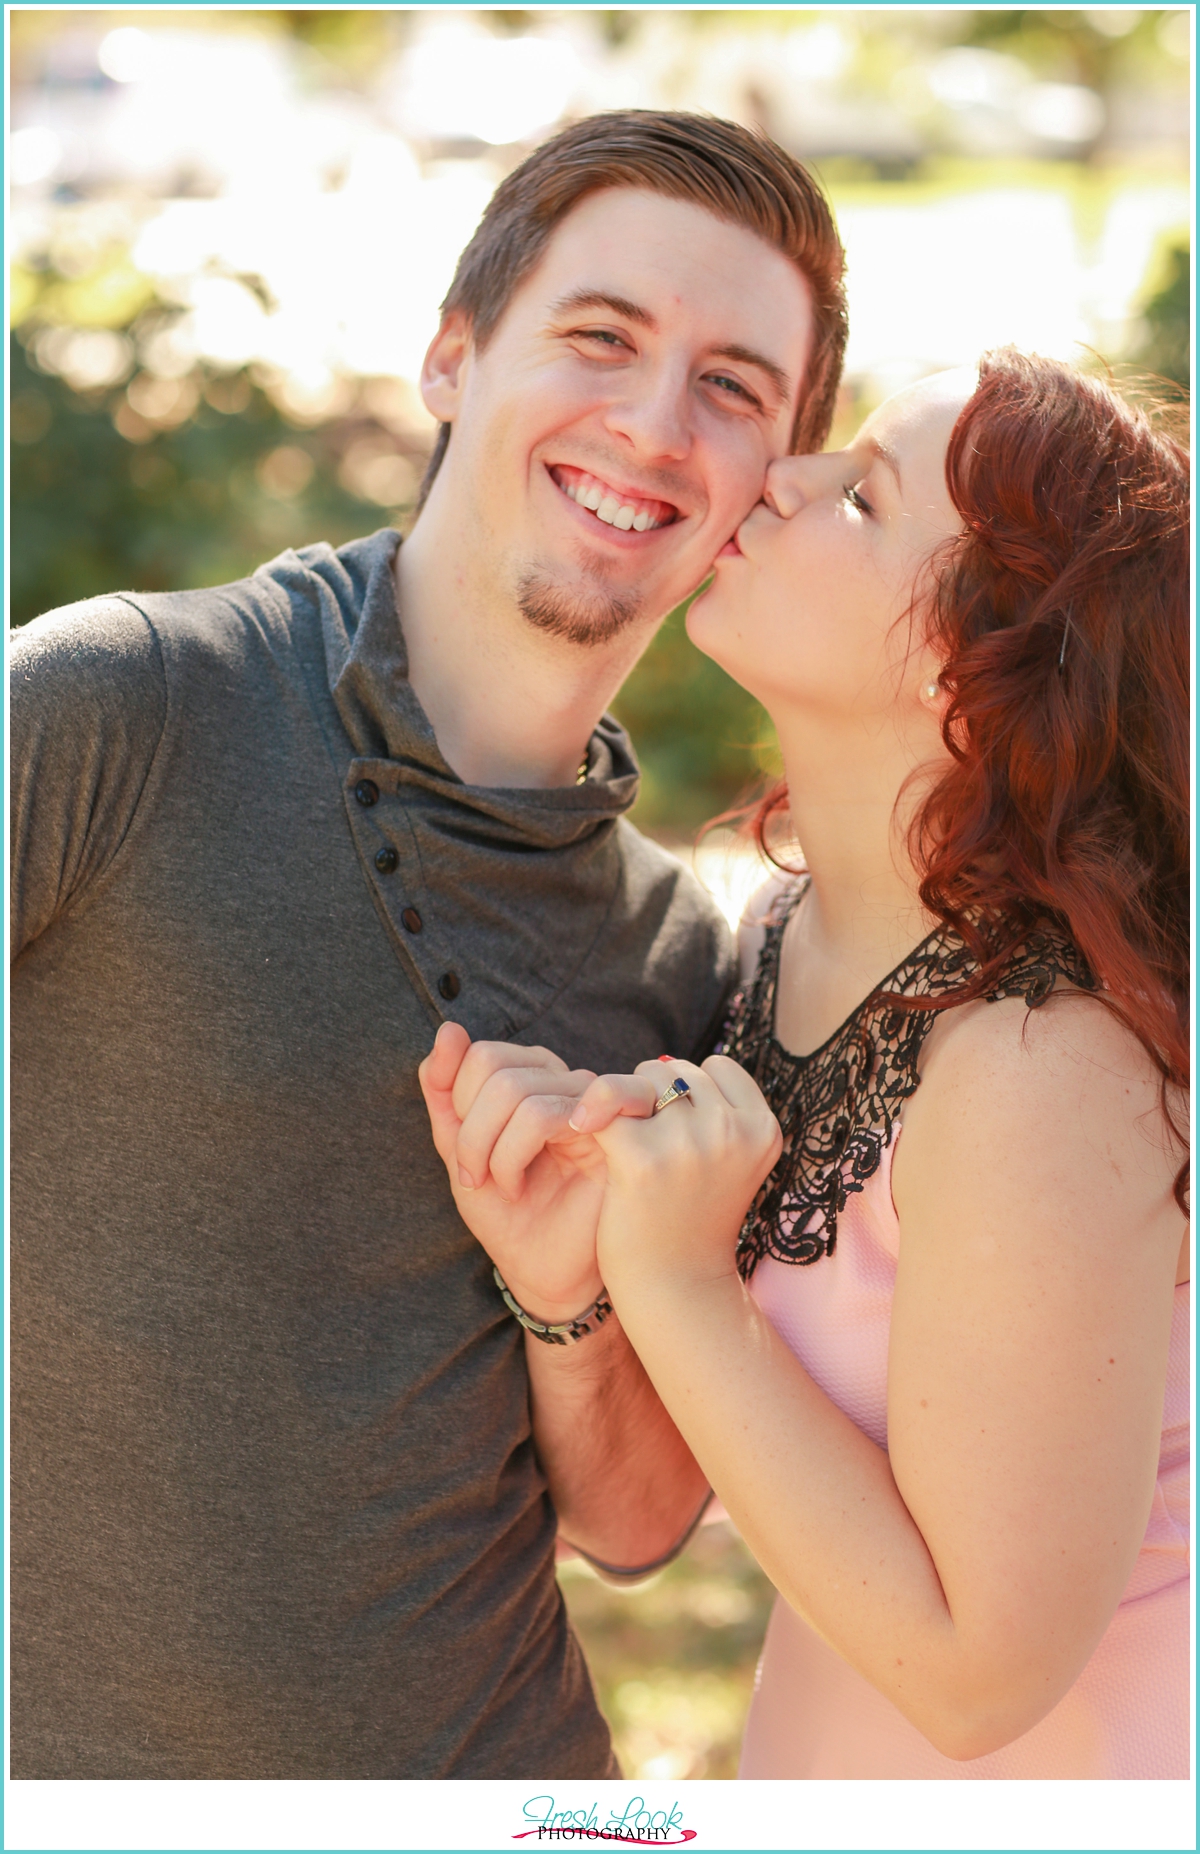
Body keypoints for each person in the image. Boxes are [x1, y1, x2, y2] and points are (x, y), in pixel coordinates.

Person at [8, 111, 848, 1778]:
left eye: (734, 389)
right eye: (600, 337)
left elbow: (637, 1520)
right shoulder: (119, 706)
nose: (652, 423)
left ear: (764, 489)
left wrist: (567, 1304)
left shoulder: (693, 961)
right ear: (454, 355)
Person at [422, 351, 1190, 1778]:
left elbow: (977, 1674)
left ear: (978, 665)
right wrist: (568, 1292)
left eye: (861, 495)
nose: (782, 475)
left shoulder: (1043, 1060)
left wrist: (672, 1278)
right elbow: (641, 1523)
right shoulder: (779, 935)